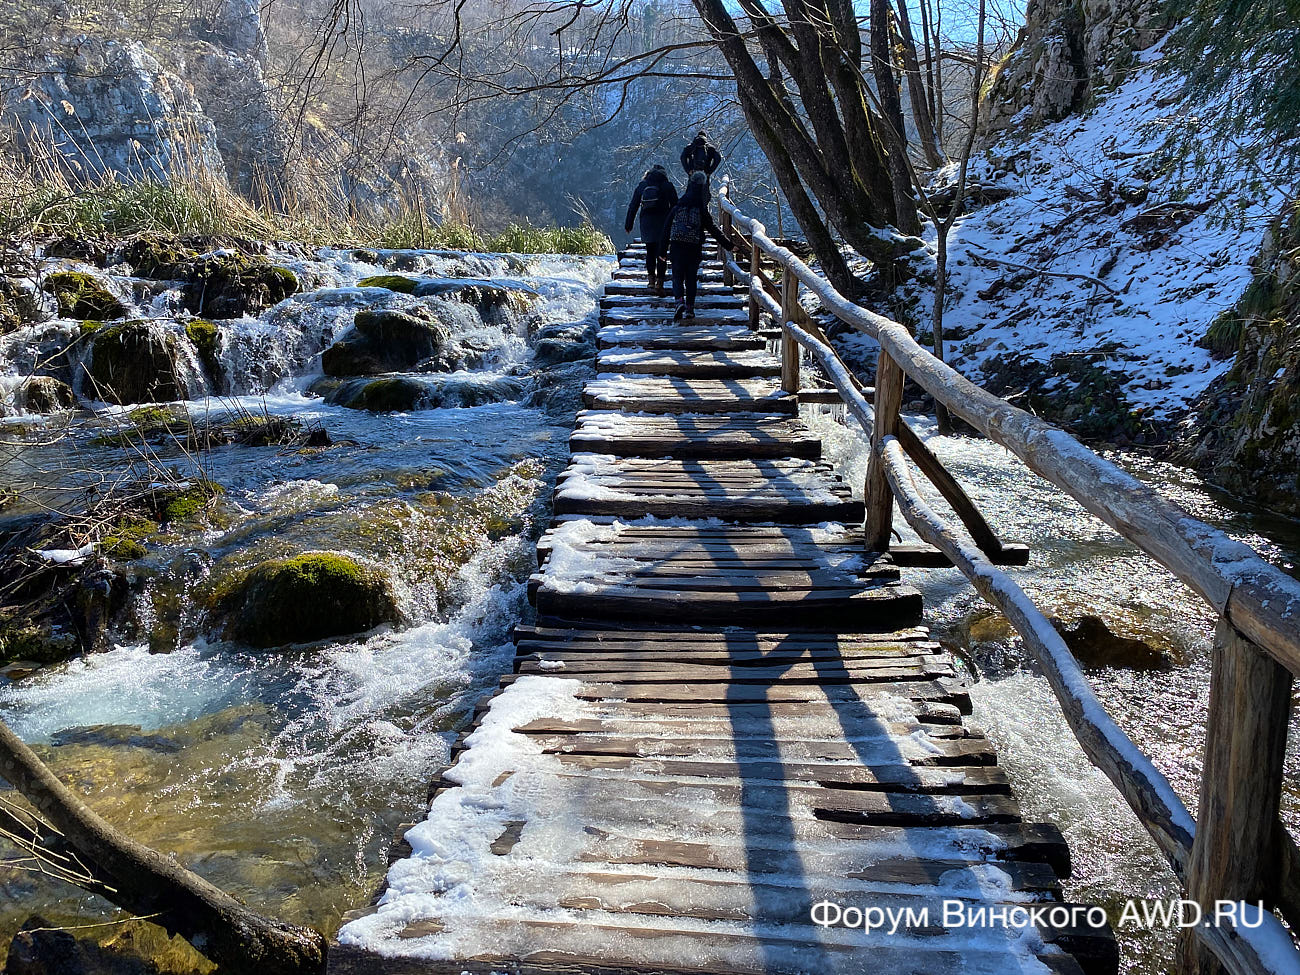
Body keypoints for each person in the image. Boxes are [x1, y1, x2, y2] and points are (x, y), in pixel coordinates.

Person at [665, 171, 733, 321]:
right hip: (693, 247)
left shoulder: (679, 204)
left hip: (676, 246)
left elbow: (667, 226)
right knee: (690, 278)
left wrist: (662, 250)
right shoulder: (701, 208)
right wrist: (728, 245)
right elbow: (713, 228)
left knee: (677, 276)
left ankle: (678, 302)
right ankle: (689, 308)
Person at [624, 165, 678, 295]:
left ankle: (651, 280)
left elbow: (633, 206)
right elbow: (676, 205)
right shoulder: (667, 185)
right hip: (663, 223)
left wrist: (628, 224)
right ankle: (660, 283)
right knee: (662, 253)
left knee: (650, 251)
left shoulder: (643, 185)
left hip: (647, 223)